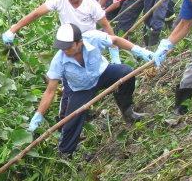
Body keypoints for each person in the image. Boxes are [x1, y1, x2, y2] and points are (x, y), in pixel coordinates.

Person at [27, 23, 151, 156]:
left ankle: (127, 110)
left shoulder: (93, 38)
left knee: (126, 72)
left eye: (68, 47)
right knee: (71, 122)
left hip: (102, 74)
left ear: (79, 42)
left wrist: (140, 51)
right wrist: (39, 115)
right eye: (62, 48)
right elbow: (50, 91)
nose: (65, 51)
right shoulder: (59, 60)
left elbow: (115, 40)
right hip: (81, 88)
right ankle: (65, 153)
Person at [2, 0, 119, 61]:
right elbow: (36, 14)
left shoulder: (92, 5)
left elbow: (106, 26)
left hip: (88, 42)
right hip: (68, 41)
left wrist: (114, 50)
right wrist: (13, 30)